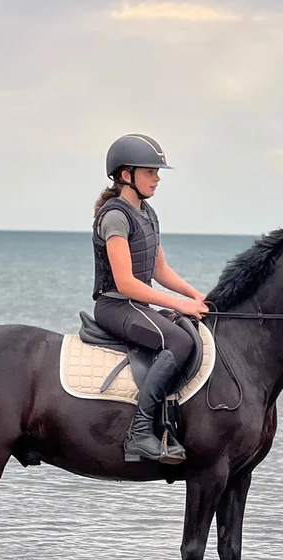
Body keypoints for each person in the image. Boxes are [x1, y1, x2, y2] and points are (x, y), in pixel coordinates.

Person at [91, 134, 209, 464]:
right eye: (150, 172)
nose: (157, 179)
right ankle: (140, 434)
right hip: (115, 305)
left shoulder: (147, 212)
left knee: (188, 329)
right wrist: (180, 304)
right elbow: (126, 283)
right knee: (179, 342)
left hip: (135, 305)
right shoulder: (115, 217)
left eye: (157, 172)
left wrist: (195, 295)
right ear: (126, 175)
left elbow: (160, 270)